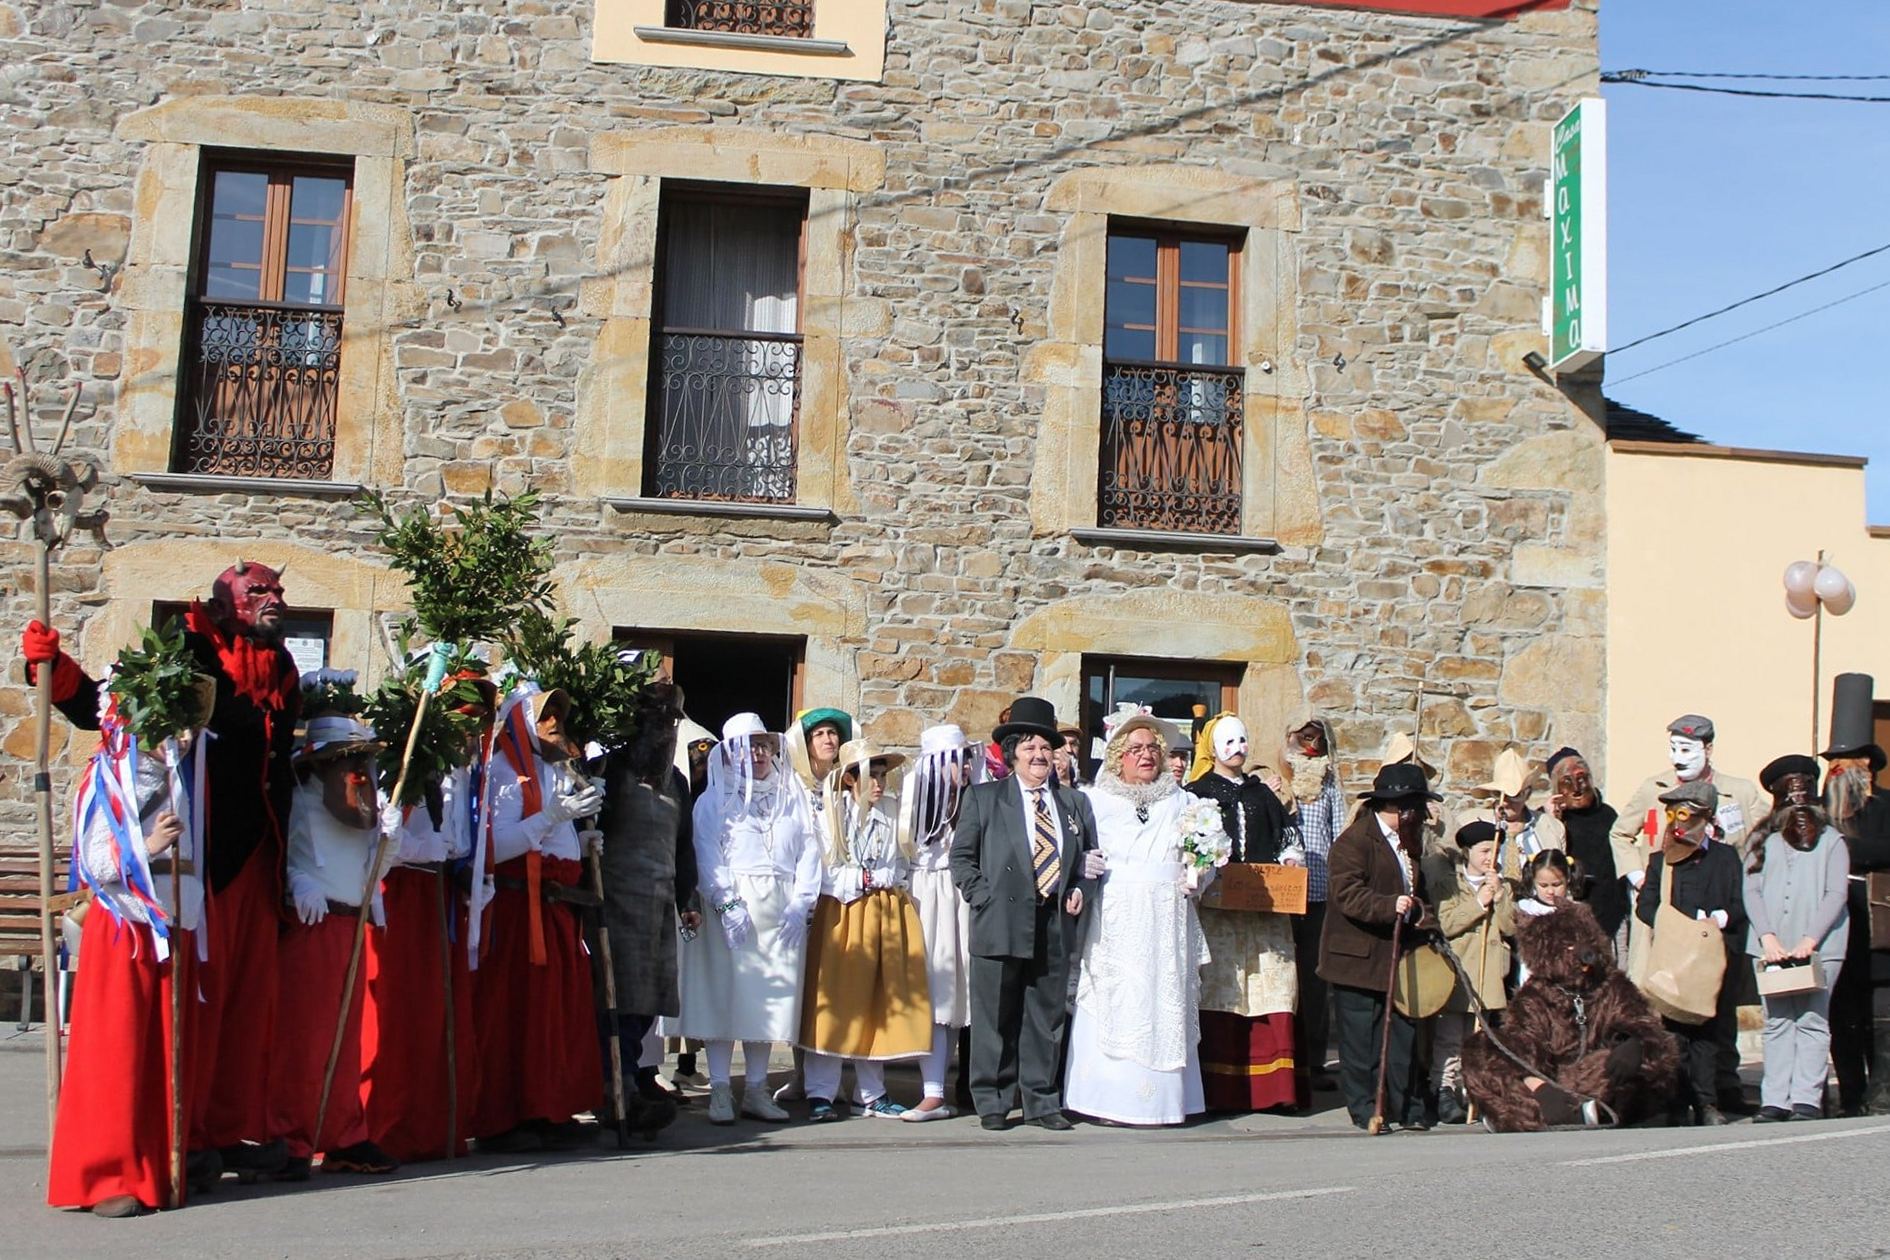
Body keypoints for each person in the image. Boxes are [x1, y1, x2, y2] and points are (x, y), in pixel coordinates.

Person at [23, 562, 301, 1178]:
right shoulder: (187, 646)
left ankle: (233, 1129)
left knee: (248, 1005)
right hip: (196, 854)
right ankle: (191, 1131)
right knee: (201, 996)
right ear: (224, 605)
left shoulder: (284, 668)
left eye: (278, 591)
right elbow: (117, 711)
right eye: (259, 591)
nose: (274, 599)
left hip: (261, 851)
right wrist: (55, 670)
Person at [48, 685, 215, 1215]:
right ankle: (106, 1173)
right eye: (174, 725)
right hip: (126, 926)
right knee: (117, 1054)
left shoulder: (177, 777)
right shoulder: (109, 778)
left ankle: (154, 1164)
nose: (185, 737)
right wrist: (147, 846)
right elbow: (95, 861)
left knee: (161, 1054)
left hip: (170, 923)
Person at [950, 696, 1099, 1130]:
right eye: (1030, 747)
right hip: (999, 920)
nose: (1039, 755)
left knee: (1045, 1016)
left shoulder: (1074, 803)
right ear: (1012, 752)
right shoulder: (984, 798)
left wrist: (1080, 889)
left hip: (1053, 921)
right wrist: (983, 897)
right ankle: (993, 1100)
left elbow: (1089, 858)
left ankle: (1041, 1100)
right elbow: (962, 858)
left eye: (1046, 748)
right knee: (995, 1015)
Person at [362, 667, 492, 1165]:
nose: (469, 732)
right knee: (400, 1012)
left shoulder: (465, 772)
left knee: (438, 1014)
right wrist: (424, 846)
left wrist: (467, 870)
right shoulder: (411, 763)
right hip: (404, 897)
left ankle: (436, 1124)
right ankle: (390, 1123)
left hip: (441, 894)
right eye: (461, 720)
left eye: (476, 722)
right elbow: (384, 835)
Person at [468, 683, 606, 1151]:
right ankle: (506, 1117)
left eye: (559, 716)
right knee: (517, 1017)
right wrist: (552, 817)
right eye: (545, 716)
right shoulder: (506, 773)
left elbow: (553, 835)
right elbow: (497, 847)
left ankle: (550, 1107)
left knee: (554, 1017)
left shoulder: (552, 773)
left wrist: (580, 841)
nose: (555, 725)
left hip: (555, 910)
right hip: (516, 912)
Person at [1064, 713, 1218, 1126]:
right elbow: (1076, 851)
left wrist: (1199, 874)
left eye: (1153, 748)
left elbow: (1204, 854)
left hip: (1167, 914)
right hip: (1118, 913)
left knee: (1164, 996)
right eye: (1136, 749)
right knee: (1115, 996)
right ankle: (1106, 1100)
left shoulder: (1183, 802)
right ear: (1118, 757)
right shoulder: (1095, 800)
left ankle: (1165, 1102)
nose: (1146, 755)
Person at [266, 710, 399, 1177]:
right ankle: (291, 1134)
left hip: (350, 925)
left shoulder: (364, 812)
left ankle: (344, 1132)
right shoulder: (298, 802)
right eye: (347, 761)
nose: (357, 771)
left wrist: (391, 842)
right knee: (306, 1040)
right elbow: (278, 852)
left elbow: (370, 873)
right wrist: (296, 882)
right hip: (312, 926)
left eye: (361, 760)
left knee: (344, 1042)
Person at [1614, 714, 1768, 1115]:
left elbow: (1763, 838)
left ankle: (1721, 1088)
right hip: (1667, 923)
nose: (1678, 757)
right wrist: (1637, 876)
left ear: (1708, 749)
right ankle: (1672, 1095)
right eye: (1674, 748)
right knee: (1666, 1013)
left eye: (1688, 749)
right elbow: (1621, 833)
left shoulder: (1740, 793)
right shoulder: (1655, 789)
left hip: (1717, 927)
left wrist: (1742, 897)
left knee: (1717, 1017)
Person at [679, 714, 822, 1125]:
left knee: (767, 1002)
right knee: (725, 996)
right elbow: (705, 851)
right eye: (750, 746)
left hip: (779, 910)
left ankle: (756, 1089)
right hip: (733, 904)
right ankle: (722, 1087)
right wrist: (725, 903)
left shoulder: (790, 795)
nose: (759, 754)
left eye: (764, 746)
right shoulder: (715, 800)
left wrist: (801, 901)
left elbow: (809, 849)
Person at [799, 741, 932, 1120]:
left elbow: (905, 862)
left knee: (878, 999)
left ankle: (871, 1092)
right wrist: (867, 877)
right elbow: (824, 868)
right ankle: (821, 1091)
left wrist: (891, 878)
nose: (878, 783)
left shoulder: (892, 814)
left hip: (885, 911)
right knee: (835, 1000)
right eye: (871, 775)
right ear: (850, 779)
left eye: (882, 775)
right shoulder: (829, 815)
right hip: (842, 912)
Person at [1185, 712, 1304, 1112]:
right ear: (1213, 747)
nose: (1238, 749)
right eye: (1229, 742)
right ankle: (1222, 1089)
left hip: (1265, 910)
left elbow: (1286, 833)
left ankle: (1273, 1090)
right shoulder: (1197, 792)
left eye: (1242, 741)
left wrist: (1289, 859)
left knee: (1271, 986)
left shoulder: (1262, 793)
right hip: (1218, 911)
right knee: (1223, 988)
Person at [594, 679, 697, 1134]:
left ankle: (634, 1074)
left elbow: (684, 846)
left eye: (671, 721)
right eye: (656, 719)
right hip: (618, 901)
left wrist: (686, 898)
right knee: (621, 999)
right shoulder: (611, 771)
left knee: (651, 997)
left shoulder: (675, 782)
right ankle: (618, 1085)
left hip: (659, 901)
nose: (664, 730)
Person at [1319, 762, 1439, 1132]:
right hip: (1356, 959)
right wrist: (1390, 905)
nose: (1420, 816)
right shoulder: (1353, 842)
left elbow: (1420, 895)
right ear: (1398, 807)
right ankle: (1366, 1107)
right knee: (1361, 1043)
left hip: (1396, 959)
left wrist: (1422, 916)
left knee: (1402, 1038)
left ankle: (1404, 1106)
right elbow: (1347, 895)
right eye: (1416, 808)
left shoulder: (1411, 846)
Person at [1635, 780, 1746, 1126]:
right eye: (1672, 813)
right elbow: (1645, 906)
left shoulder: (1727, 859)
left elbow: (1741, 903)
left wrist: (1719, 919)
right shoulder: (1662, 861)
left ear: (1706, 818)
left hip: (1712, 960)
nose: (1677, 821)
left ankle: (1706, 1102)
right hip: (1673, 958)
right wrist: (1674, 924)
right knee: (1672, 1035)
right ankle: (1674, 1103)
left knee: (1707, 1036)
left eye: (1685, 813)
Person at [1745, 756, 1850, 1122]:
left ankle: (1806, 1098)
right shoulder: (1761, 838)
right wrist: (1767, 937)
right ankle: (1775, 1099)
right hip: (1771, 946)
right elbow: (1752, 891)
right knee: (1777, 1020)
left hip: (1821, 946)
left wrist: (1810, 939)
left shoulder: (1832, 840)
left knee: (1811, 1018)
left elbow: (1836, 893)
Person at [900, 724, 981, 1121]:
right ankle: (928, 1087)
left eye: (967, 758)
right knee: (928, 990)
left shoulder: (976, 800)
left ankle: (938, 1090)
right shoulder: (912, 802)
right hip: (923, 897)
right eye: (958, 759)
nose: (965, 766)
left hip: (961, 897)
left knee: (953, 993)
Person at [775, 707, 853, 1104]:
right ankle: (801, 1072)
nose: (827, 740)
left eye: (832, 734)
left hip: (836, 894)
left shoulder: (845, 786)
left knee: (828, 989)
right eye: (819, 734)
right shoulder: (791, 787)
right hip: (800, 895)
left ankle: (828, 1075)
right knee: (799, 987)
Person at [1820, 673, 1890, 1115]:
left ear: (1868, 766)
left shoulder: (1886, 806)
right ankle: (1849, 1093)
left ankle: (1882, 1090)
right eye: (1835, 764)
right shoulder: (1818, 812)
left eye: (1849, 763)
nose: (1840, 771)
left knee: (1881, 1013)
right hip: (1834, 925)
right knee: (1841, 1014)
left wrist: (1845, 851)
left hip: (1879, 923)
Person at [1430, 821, 1514, 1125]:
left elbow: (1510, 926)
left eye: (1495, 850)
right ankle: (1443, 1088)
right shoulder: (1451, 883)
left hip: (1487, 975)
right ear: (1468, 852)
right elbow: (1447, 922)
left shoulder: (1501, 885)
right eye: (1483, 851)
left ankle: (1473, 1092)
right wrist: (1480, 902)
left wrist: (1500, 895)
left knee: (1477, 1041)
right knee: (1450, 1037)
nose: (1490, 856)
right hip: (1459, 971)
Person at [1281, 710, 1342, 1092]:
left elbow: (1337, 833)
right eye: (1302, 735)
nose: (1309, 742)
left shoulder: (1330, 782)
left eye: (1314, 736)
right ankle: (1284, 1059)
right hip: (1284, 892)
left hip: (1318, 893)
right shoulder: (1277, 776)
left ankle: (1314, 1060)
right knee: (1282, 979)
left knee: (1314, 980)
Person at [1541, 747, 1626, 946]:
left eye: (1581, 779)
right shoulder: (1547, 820)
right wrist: (1552, 822)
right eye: (1567, 781)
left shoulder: (1607, 815)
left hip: (1609, 907)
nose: (1577, 788)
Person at [1476, 749, 1564, 883]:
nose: (1504, 802)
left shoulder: (1552, 828)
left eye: (1513, 796)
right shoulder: (1472, 824)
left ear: (1527, 794)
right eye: (1498, 794)